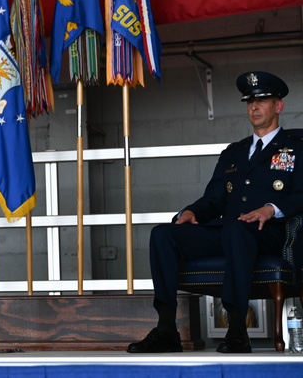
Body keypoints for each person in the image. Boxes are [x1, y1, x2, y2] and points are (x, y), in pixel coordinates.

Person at [128, 71, 303, 354]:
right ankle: (165, 329)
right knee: (164, 234)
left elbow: (301, 194)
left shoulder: (296, 149)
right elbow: (213, 200)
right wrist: (190, 211)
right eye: (249, 102)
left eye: (262, 101)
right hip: (231, 230)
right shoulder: (234, 152)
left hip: (268, 232)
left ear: (278, 106)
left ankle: (236, 329)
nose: (254, 107)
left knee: (236, 229)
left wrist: (271, 209)